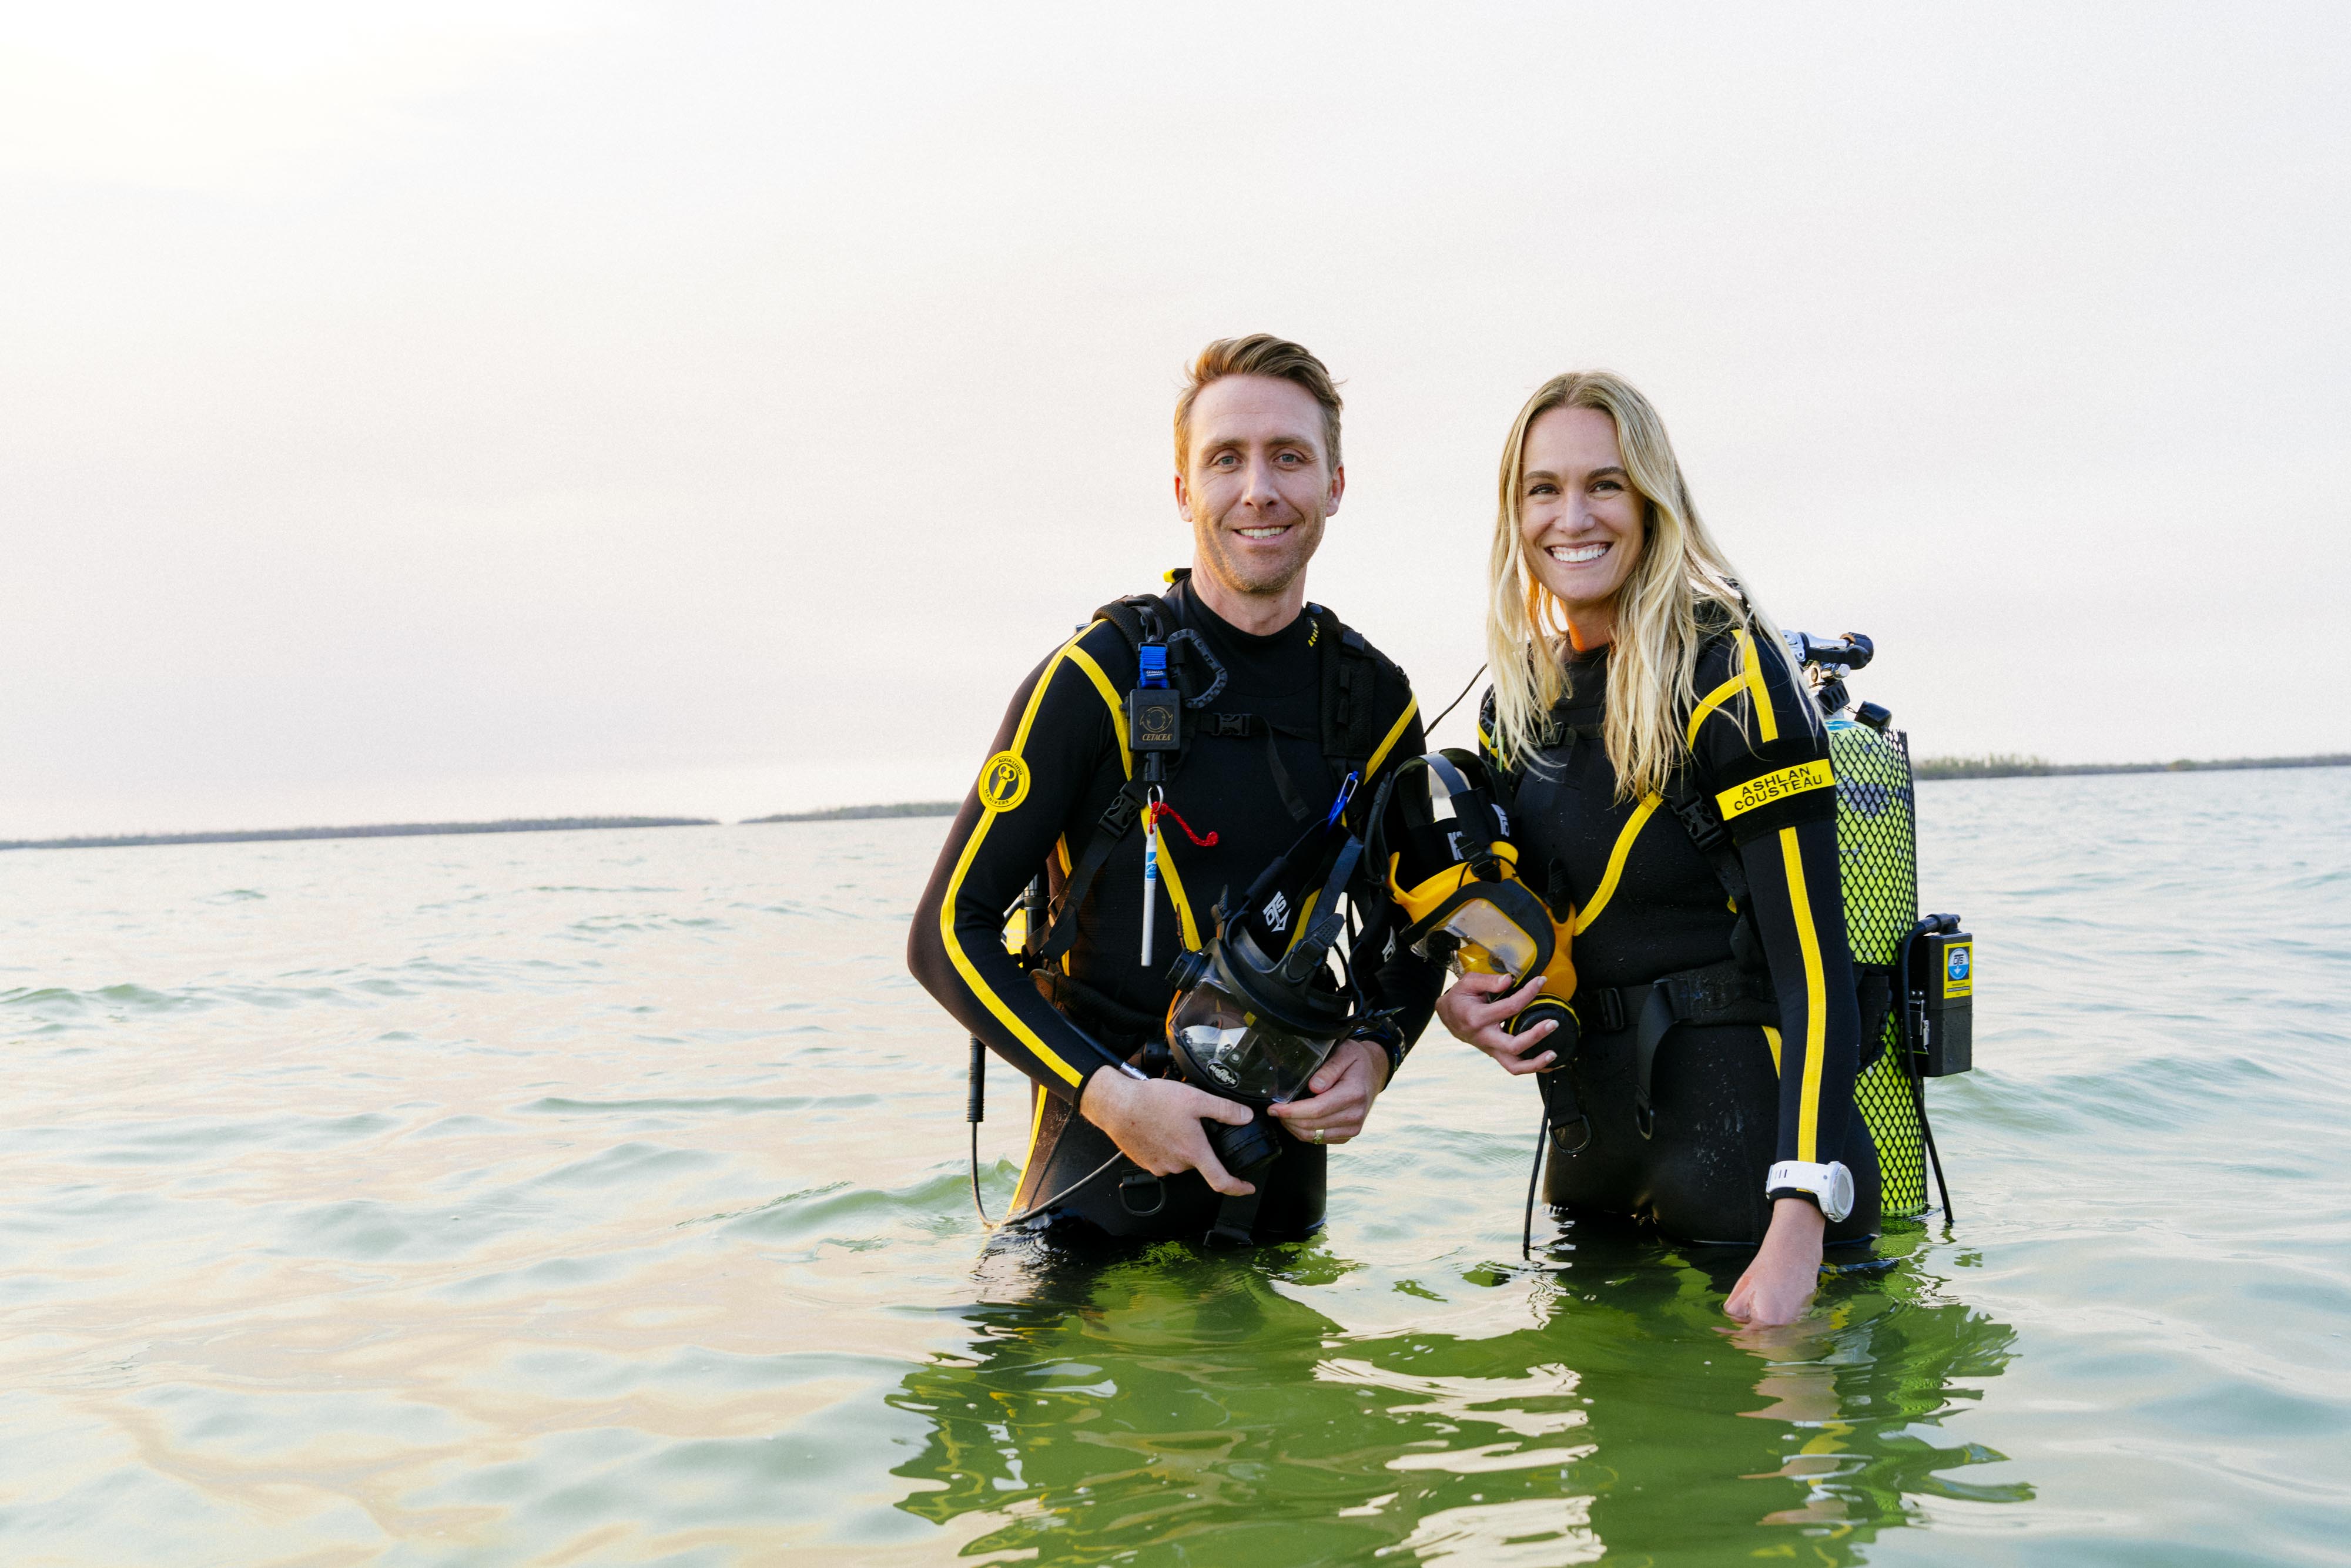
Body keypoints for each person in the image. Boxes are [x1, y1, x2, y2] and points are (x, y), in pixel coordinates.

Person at [909, 335, 1441, 1246]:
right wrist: (1114, 1099)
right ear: (1184, 491)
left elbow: (1423, 932)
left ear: (1335, 486)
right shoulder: (1095, 679)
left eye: (1290, 457)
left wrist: (1377, 1053)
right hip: (1091, 1195)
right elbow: (944, 938)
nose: (1259, 489)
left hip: (1280, 1207)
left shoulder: (1373, 702)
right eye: (1225, 459)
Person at [1438, 371, 1878, 1326]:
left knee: (1773, 1474)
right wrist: (1464, 1008)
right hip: (1592, 1188)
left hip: (1756, 1194)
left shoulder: (1735, 676)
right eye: (1542, 489)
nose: (1573, 516)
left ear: (1652, 500)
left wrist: (1797, 1225)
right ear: (1514, 514)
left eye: (1605, 483)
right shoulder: (1517, 706)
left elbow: (1817, 971)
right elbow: (1537, 934)